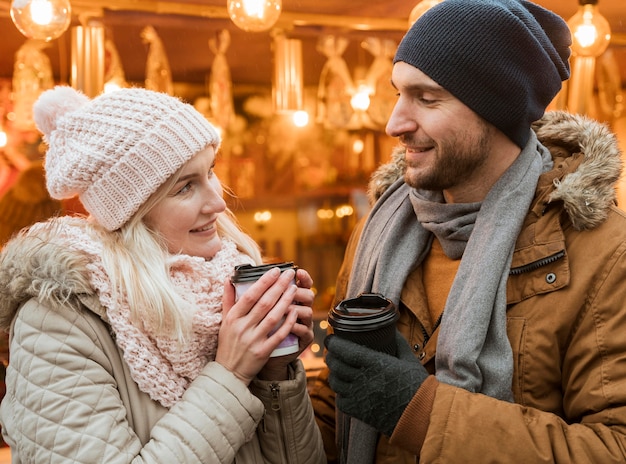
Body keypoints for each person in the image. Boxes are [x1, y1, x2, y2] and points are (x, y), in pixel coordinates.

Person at [309, 0, 626, 463]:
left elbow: (614, 448)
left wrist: (422, 414)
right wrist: (273, 376)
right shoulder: (378, 230)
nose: (394, 122)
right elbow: (337, 403)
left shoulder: (602, 252)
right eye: (398, 93)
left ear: (494, 111)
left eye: (427, 97)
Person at [0, 85, 326, 463]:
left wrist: (274, 372)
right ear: (133, 212)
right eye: (185, 187)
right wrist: (231, 373)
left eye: (211, 172)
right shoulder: (59, 322)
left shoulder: (223, 283)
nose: (218, 202)